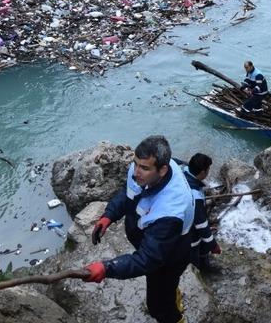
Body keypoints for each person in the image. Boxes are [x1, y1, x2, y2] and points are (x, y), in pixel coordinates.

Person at [81, 136, 195, 323]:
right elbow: (128, 193)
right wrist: (109, 215)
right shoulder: (145, 172)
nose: (136, 172)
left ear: (163, 170)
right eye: (135, 164)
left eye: (144, 168)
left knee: (158, 306)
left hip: (169, 256)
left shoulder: (171, 209)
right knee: (163, 291)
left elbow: (147, 259)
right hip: (151, 241)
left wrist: (106, 268)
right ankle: (172, 293)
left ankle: (175, 317)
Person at [181, 153, 221, 273]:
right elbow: (201, 225)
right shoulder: (195, 197)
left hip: (183, 221)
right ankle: (200, 271)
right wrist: (214, 245)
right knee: (195, 252)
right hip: (190, 232)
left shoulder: (183, 171)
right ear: (203, 172)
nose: (209, 172)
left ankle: (204, 264)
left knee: (203, 247)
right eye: (208, 169)